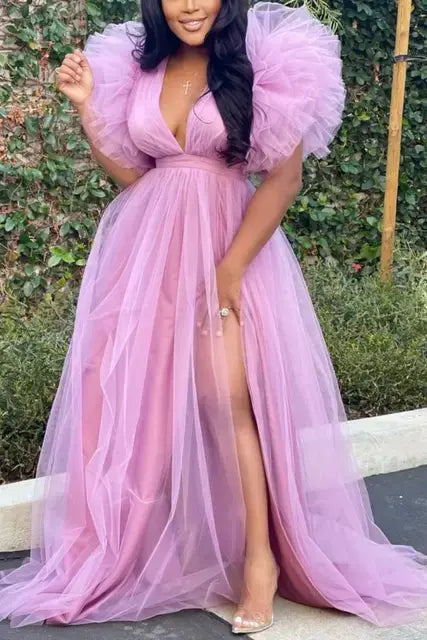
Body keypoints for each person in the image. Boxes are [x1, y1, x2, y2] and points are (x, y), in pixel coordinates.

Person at [1, 0, 427, 633]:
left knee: (225, 396)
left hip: (231, 249)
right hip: (152, 255)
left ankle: (261, 560)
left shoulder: (262, 65)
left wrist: (229, 270)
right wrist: (88, 109)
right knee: (139, 397)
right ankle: (171, 542)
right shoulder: (140, 69)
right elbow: (139, 179)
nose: (191, 5)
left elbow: (284, 180)